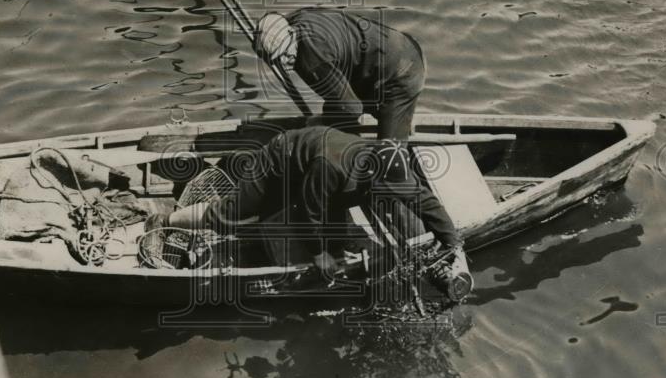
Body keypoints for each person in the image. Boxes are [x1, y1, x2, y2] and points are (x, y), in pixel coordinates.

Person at [150, 126, 470, 297]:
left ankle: (332, 243)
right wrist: (321, 256)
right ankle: (166, 220)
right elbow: (309, 213)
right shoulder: (331, 168)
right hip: (278, 164)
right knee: (228, 216)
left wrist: (452, 242)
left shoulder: (391, 163)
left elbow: (424, 201)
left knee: (340, 231)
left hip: (322, 175)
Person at [253, 8, 426, 139]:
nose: (282, 62)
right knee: (346, 116)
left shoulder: (312, 57)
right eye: (274, 58)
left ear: (291, 33)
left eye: (284, 53)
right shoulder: (293, 21)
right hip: (382, 58)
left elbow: (351, 108)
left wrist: (324, 121)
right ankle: (396, 122)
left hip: (401, 70)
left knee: (390, 159)